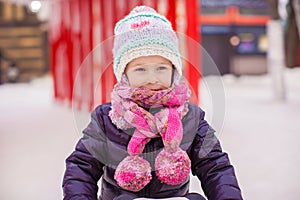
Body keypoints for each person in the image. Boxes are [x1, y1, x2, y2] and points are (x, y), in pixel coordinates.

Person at [62, 5, 243, 200]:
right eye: (140, 69)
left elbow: (215, 166)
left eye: (161, 68)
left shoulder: (191, 117)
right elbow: (81, 168)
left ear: (174, 71)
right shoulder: (106, 119)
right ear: (124, 75)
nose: (152, 79)